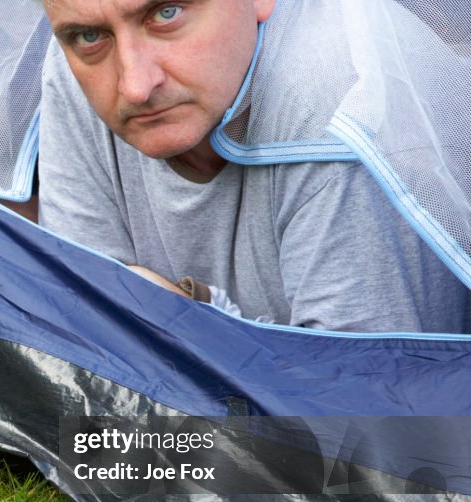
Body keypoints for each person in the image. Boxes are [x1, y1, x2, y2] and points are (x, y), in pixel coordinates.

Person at [35, 0, 469, 332]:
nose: (134, 86)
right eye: (89, 37)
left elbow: (357, 431)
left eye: (166, 13)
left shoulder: (343, 116)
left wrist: (189, 315)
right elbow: (72, 348)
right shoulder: (78, 61)